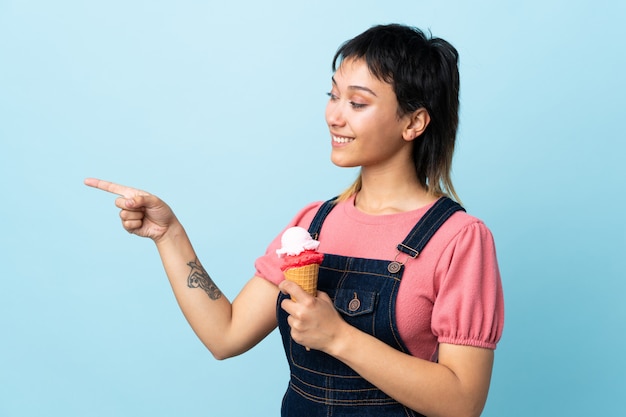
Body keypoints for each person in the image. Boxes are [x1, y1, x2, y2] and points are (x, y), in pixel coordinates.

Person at [85, 23, 504, 417]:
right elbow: (225, 335)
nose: (334, 116)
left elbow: (463, 401)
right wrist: (169, 235)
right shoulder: (312, 225)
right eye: (333, 95)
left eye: (357, 103)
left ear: (414, 122)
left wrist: (339, 337)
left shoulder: (458, 239)